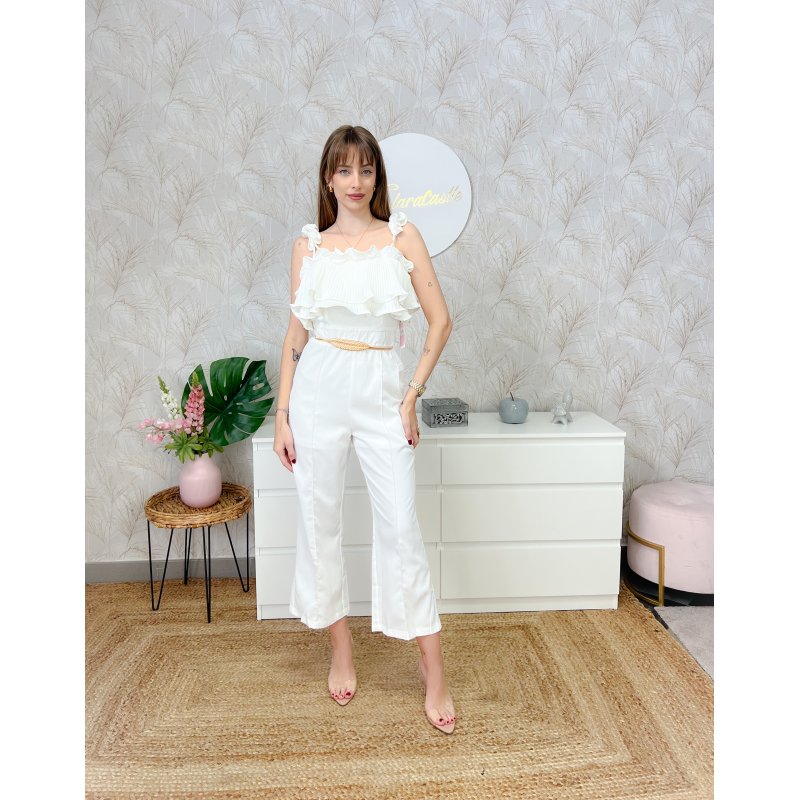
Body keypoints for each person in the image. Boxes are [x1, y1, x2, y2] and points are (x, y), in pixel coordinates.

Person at [272, 125, 457, 734]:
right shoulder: (309, 247)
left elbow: (440, 321)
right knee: (318, 521)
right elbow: (296, 333)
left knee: (401, 527)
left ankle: (433, 669)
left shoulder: (402, 237)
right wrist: (283, 414)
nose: (356, 182)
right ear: (328, 179)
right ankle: (342, 650)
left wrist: (411, 397)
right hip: (317, 391)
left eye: (366, 170)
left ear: (378, 176)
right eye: (344, 170)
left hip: (381, 391)